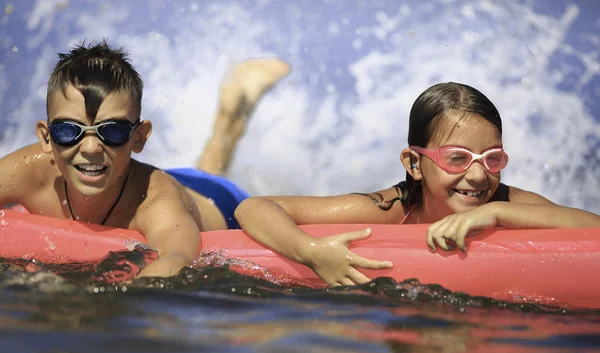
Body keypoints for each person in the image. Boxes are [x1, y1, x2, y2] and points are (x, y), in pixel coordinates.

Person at [234, 82, 600, 287]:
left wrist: (499, 212)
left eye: (492, 159)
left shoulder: (509, 203)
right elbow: (252, 207)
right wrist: (310, 251)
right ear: (415, 163)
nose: (477, 175)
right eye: (457, 158)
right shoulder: (392, 208)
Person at [0, 40, 290, 278]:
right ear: (46, 137)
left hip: (216, 202)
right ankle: (234, 105)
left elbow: (176, 259)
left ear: (138, 138)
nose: (90, 147)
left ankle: (233, 114)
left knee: (211, 176)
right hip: (131, 174)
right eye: (67, 131)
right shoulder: (30, 171)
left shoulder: (155, 202)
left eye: (112, 131)